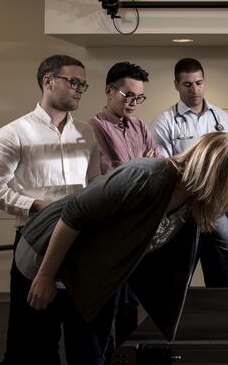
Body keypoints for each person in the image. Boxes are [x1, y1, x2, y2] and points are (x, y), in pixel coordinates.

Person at [17, 133, 228, 364]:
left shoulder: (200, 201)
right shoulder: (145, 175)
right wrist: (45, 275)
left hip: (95, 273)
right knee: (36, 352)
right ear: (214, 174)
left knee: (95, 354)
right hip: (46, 253)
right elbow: (74, 215)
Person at [0, 54, 99, 365]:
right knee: (31, 340)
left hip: (81, 245)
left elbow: (94, 182)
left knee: (84, 336)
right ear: (48, 82)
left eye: (83, 84)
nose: (80, 89)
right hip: (35, 242)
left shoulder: (86, 133)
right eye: (74, 82)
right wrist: (37, 205)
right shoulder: (13, 133)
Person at [151, 58, 228, 289]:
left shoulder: (224, 120)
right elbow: (164, 170)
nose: (194, 90)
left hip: (219, 208)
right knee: (178, 279)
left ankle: (220, 323)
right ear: (176, 85)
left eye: (199, 83)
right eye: (187, 84)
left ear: (204, 82)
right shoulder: (165, 122)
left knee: (220, 277)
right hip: (183, 212)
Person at [89, 61, 158, 347]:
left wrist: (134, 166)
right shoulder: (95, 126)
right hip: (111, 227)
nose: (133, 103)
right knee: (111, 302)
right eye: (128, 95)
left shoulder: (140, 125)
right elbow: (110, 177)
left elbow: (159, 167)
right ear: (109, 91)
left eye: (139, 97)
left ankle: (126, 353)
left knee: (131, 301)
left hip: (137, 224)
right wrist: (142, 165)